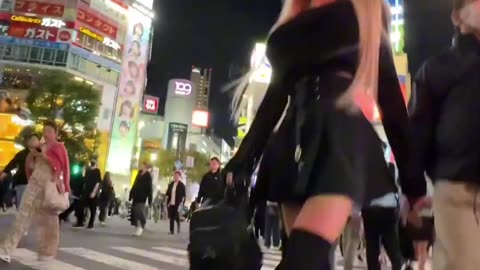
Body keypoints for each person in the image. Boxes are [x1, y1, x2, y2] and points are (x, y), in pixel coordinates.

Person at [223, 0, 418, 268]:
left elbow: (392, 105)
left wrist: (414, 187)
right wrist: (242, 161)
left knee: (305, 256)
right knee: (302, 257)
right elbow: (274, 100)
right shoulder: (294, 16)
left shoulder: (365, 10)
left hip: (340, 143)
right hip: (293, 145)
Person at [407, 1, 480, 269]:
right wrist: (414, 189)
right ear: (457, 17)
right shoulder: (438, 68)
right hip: (459, 188)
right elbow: (417, 134)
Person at [0, 120, 70, 263]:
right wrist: (32, 158)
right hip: (34, 184)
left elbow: (64, 168)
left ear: (56, 133)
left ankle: (47, 252)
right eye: (45, 131)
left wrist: (65, 188)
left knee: (49, 221)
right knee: (22, 215)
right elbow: (29, 165)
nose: (47, 134)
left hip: (49, 187)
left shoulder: (59, 148)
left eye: (50, 131)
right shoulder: (40, 147)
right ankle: (6, 249)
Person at [0, 134, 40, 209]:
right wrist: (4, 173)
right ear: (28, 142)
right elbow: (12, 163)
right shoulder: (22, 154)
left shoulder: (41, 154)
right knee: (22, 206)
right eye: (31, 139)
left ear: (39, 142)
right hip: (22, 182)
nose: (33, 141)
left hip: (36, 184)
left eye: (35, 139)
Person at [74, 161, 101, 229]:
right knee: (80, 206)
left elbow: (98, 182)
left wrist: (94, 192)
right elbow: (85, 182)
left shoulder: (97, 171)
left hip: (92, 192)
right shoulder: (87, 171)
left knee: (93, 209)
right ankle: (80, 221)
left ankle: (90, 224)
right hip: (86, 192)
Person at [129, 162, 153, 236]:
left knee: (139, 210)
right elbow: (135, 184)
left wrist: (150, 199)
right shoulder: (139, 173)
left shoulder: (148, 176)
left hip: (142, 196)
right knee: (134, 211)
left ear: (145, 166)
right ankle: (138, 226)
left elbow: (149, 188)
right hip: (136, 195)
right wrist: (131, 194)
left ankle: (141, 225)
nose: (140, 166)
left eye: (142, 165)